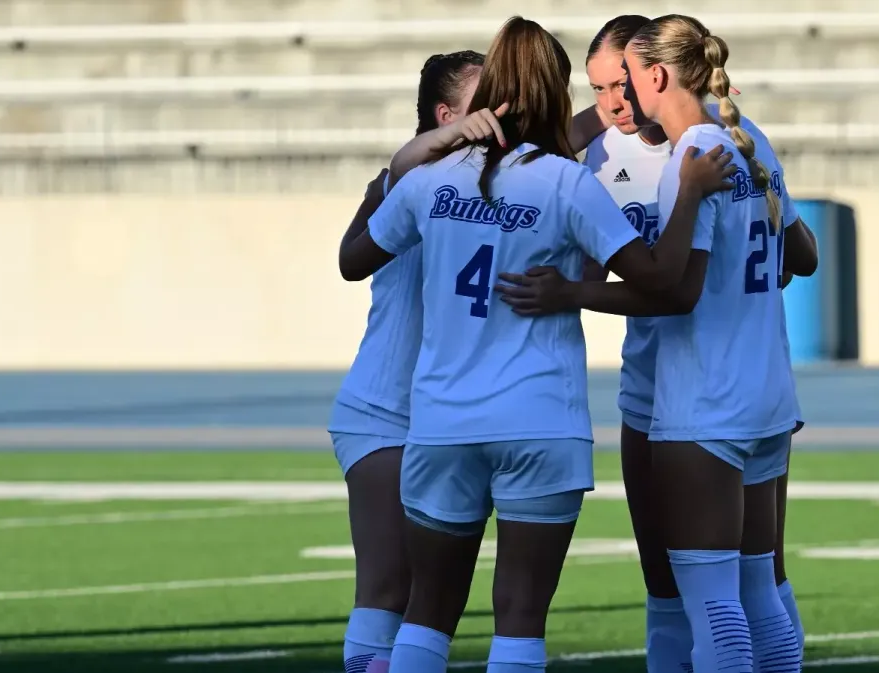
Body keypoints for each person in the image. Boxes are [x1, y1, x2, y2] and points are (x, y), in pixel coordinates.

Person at [337, 16, 737, 673]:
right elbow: (664, 280)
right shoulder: (564, 182)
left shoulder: (431, 179)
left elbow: (354, 259)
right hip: (537, 418)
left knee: (427, 611)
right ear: (555, 93)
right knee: (519, 616)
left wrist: (408, 164)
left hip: (442, 421)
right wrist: (689, 193)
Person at [496, 14, 809, 673]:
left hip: (699, 398)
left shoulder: (688, 154)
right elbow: (798, 251)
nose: (615, 102)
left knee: (715, 601)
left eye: (623, 83)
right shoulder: (742, 136)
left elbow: (673, 287)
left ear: (653, 74)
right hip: (736, 390)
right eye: (599, 89)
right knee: (735, 588)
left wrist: (569, 292)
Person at [330, 49, 484, 673]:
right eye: (489, 99)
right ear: (446, 117)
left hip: (451, 416)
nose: (507, 111)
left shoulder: (505, 177)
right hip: (385, 409)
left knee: (437, 603)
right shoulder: (406, 178)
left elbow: (567, 126)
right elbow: (350, 257)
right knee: (390, 588)